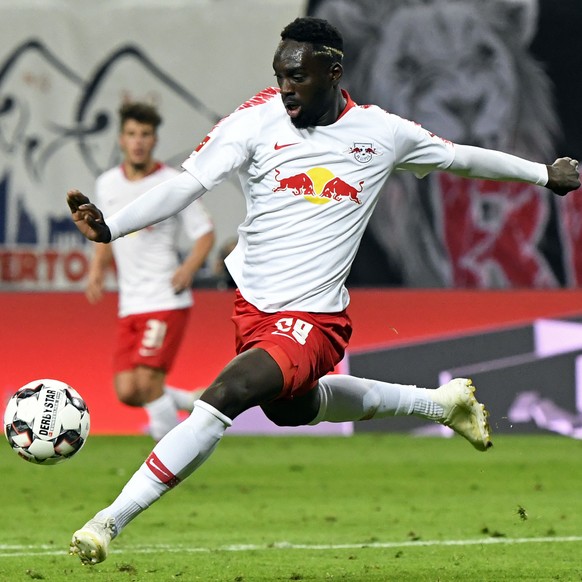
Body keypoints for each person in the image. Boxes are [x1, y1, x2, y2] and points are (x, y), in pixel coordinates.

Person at [66, 17, 580, 565]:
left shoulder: (381, 133)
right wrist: (111, 227)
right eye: (280, 74)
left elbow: (462, 158)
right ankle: (438, 403)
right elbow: (187, 186)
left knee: (226, 395)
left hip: (315, 318)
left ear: (333, 73)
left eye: (298, 76)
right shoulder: (253, 120)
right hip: (252, 308)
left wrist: (544, 174)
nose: (285, 87)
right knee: (294, 409)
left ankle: (108, 521)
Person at [86, 101, 215, 441]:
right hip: (130, 302)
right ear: (120, 140)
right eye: (131, 134)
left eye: (145, 134)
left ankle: (171, 460)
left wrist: (189, 268)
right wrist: (97, 269)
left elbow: (205, 233)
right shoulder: (107, 184)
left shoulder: (174, 182)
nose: (138, 141)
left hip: (165, 298)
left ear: (155, 140)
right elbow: (105, 234)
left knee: (147, 382)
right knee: (127, 390)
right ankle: (189, 400)